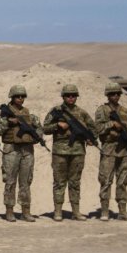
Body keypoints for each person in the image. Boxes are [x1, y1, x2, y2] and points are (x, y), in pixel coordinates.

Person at [43, 84, 95, 221]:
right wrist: (57, 125)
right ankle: (58, 211)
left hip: (77, 152)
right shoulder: (56, 111)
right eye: (68, 96)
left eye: (73, 96)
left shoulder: (82, 113)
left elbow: (93, 128)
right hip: (60, 152)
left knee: (75, 183)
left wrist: (91, 139)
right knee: (59, 182)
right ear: (63, 97)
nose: (71, 98)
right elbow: (45, 128)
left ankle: (76, 211)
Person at [94, 82, 127, 221]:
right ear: (107, 95)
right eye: (112, 94)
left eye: (118, 93)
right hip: (109, 150)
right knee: (105, 180)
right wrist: (111, 124)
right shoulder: (102, 110)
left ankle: (122, 211)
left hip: (124, 151)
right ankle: (105, 211)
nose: (116, 96)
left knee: (123, 181)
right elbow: (97, 128)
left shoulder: (126, 111)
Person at [0, 85, 41, 222]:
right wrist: (9, 122)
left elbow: (40, 128)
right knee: (10, 181)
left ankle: (25, 211)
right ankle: (9, 211)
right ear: (12, 97)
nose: (20, 99)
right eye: (17, 96)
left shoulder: (29, 115)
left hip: (27, 150)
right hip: (11, 149)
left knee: (26, 181)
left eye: (22, 96)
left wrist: (36, 137)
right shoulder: (5, 114)